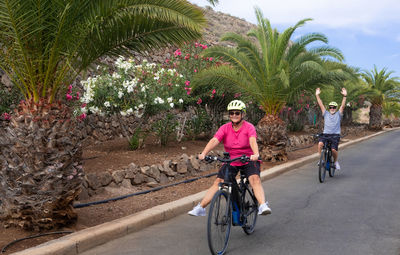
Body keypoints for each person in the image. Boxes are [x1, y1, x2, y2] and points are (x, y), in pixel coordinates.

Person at [188, 100, 271, 217]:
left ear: (243, 114)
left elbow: (252, 140)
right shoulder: (225, 128)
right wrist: (204, 153)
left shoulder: (249, 127)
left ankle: (263, 205)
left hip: (248, 159)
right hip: (231, 160)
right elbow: (215, 140)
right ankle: (201, 207)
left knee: (254, 179)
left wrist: (256, 154)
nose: (234, 115)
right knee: (219, 181)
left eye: (237, 113)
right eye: (231, 113)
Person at [315, 87, 347, 170]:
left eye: (334, 107)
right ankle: (322, 161)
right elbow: (320, 104)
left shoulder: (338, 114)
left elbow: (343, 106)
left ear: (336, 108)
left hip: (335, 135)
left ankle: (336, 162)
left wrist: (345, 96)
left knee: (333, 150)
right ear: (329, 108)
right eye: (330, 107)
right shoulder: (325, 113)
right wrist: (317, 95)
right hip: (326, 134)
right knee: (320, 144)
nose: (332, 108)